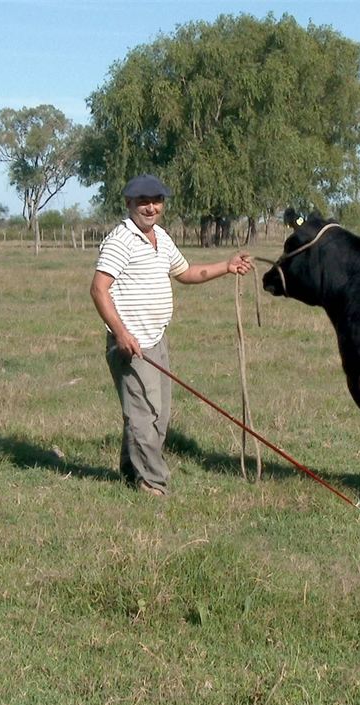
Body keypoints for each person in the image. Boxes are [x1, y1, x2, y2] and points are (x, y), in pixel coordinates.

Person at [90, 174, 254, 497]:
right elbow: (98, 289)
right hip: (132, 344)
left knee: (158, 414)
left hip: (157, 338)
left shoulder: (161, 238)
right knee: (144, 415)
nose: (150, 208)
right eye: (143, 202)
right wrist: (121, 333)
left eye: (156, 201)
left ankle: (130, 473)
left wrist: (227, 265)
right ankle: (153, 484)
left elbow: (185, 273)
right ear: (129, 204)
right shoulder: (119, 241)